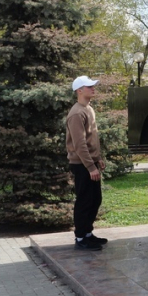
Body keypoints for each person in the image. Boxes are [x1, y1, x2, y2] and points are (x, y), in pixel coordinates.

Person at [67, 76, 107, 251]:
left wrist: (98, 159)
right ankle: (81, 237)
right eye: (89, 86)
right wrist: (91, 167)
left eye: (93, 86)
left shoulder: (89, 109)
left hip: (90, 162)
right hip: (81, 164)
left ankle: (88, 234)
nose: (93, 88)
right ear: (79, 90)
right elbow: (79, 144)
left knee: (95, 199)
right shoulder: (76, 113)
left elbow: (92, 138)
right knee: (84, 201)